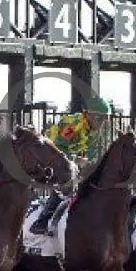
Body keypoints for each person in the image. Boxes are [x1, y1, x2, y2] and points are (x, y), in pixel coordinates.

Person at [29, 96, 112, 235]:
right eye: (100, 118)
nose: (102, 123)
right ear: (88, 114)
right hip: (50, 155)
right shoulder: (73, 125)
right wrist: (77, 160)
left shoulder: (92, 129)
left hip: (67, 158)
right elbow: (58, 148)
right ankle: (42, 221)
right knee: (68, 180)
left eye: (105, 119)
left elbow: (89, 153)